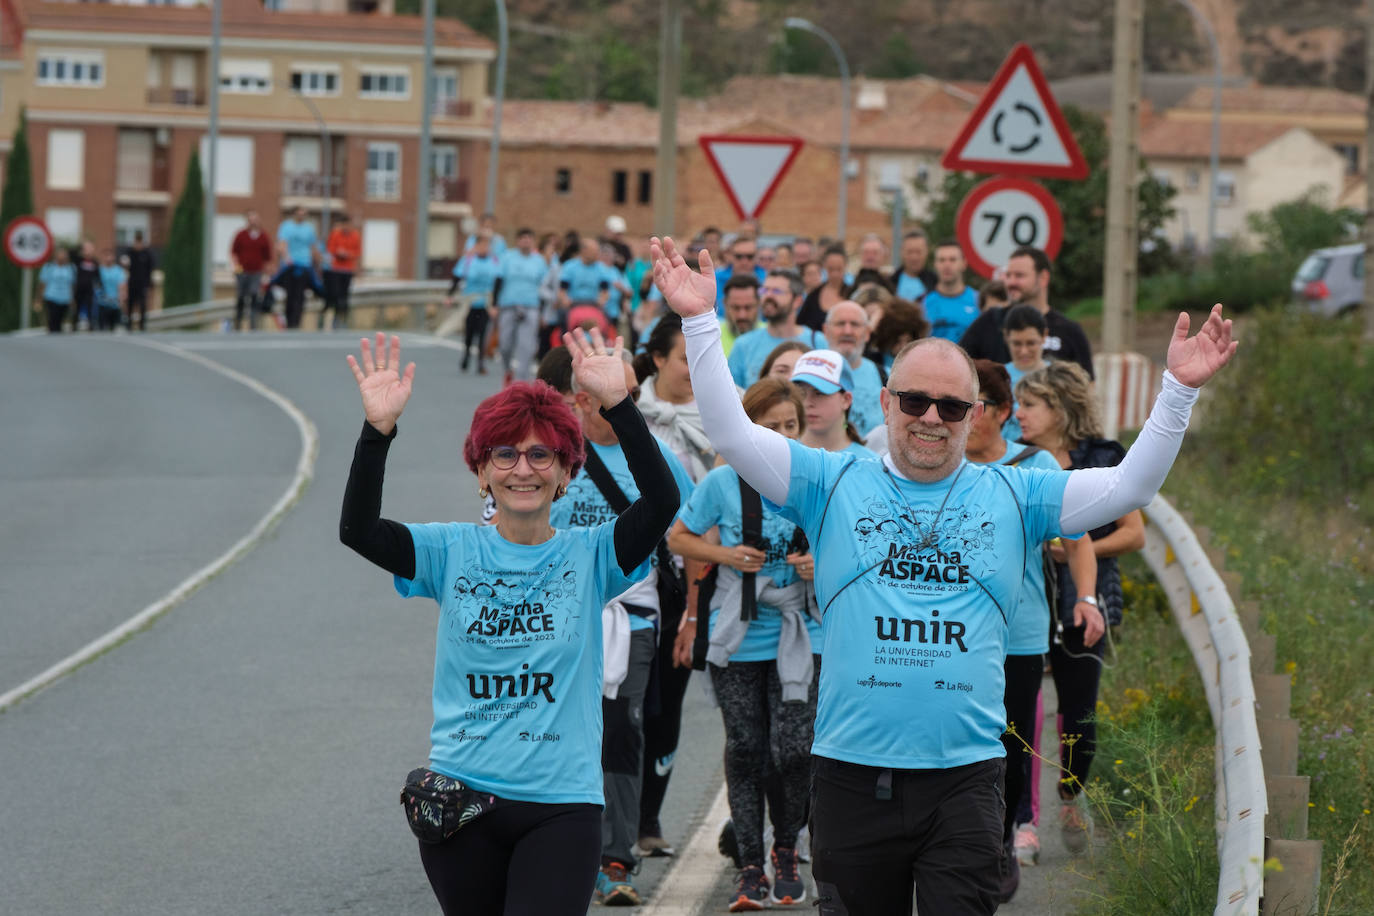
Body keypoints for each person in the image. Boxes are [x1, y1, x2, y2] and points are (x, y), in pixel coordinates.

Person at [650, 235, 1236, 915]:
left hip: (964, 783)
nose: (932, 418)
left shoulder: (1017, 492)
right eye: (916, 402)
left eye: (952, 407)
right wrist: (698, 320)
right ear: (887, 401)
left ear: (975, 416)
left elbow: (1129, 487)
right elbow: (730, 433)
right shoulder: (830, 480)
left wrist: (1178, 393)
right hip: (848, 775)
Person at [339, 329, 678, 916]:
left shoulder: (594, 554)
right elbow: (359, 530)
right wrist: (377, 432)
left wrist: (619, 404)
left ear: (565, 472)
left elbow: (661, 502)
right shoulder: (448, 551)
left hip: (562, 806)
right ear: (482, 472)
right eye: (505, 454)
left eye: (541, 454)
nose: (524, 469)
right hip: (462, 803)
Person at [548, 348, 696, 907]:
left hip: (633, 615)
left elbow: (689, 539)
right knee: (559, 729)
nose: (628, 400)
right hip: (554, 618)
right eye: (617, 392)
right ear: (583, 399)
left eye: (632, 390)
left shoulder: (658, 460)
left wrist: (692, 614)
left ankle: (616, 858)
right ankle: (559, 846)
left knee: (622, 728)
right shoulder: (550, 457)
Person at [668, 378, 820, 910]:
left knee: (795, 750)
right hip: (738, 633)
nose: (779, 435)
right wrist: (728, 555)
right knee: (747, 748)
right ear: (746, 428)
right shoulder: (722, 481)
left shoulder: (815, 480)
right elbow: (679, 537)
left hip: (801, 632)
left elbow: (853, 545)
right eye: (768, 425)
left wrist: (816, 563)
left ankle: (787, 847)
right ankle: (751, 866)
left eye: (789, 426)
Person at [963, 359, 1100, 902]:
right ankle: (964, 845)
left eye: (970, 406)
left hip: (1017, 631)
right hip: (949, 632)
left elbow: (1078, 537)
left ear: (999, 414)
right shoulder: (938, 458)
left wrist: (1086, 599)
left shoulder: (1035, 464)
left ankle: (1000, 839)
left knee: (1011, 745)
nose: (957, 417)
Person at [1013, 361, 1146, 860]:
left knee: (1080, 717)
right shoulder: (1015, 461)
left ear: (1059, 407)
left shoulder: (1103, 457)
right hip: (1027, 605)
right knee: (1019, 717)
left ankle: (1072, 794)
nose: (1019, 415)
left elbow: (1134, 533)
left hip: (1085, 603)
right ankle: (1020, 820)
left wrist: (1074, 550)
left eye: (1030, 404)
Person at [629, 313, 715, 861]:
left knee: (668, 700)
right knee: (620, 705)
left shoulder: (722, 415)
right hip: (629, 577)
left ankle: (648, 817)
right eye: (685, 358)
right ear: (657, 358)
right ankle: (606, 815)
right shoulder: (625, 412)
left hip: (693, 574)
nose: (693, 371)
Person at [959, 246, 1094, 378]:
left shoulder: (1069, 330)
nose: (1011, 282)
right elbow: (960, 365)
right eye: (1008, 275)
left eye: (1019, 275)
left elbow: (1086, 389)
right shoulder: (990, 321)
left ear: (1043, 278)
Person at [727, 270, 822, 388]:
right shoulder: (743, 345)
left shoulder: (818, 342)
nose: (768, 295)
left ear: (797, 301)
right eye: (765, 290)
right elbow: (731, 394)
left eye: (777, 291)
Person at [495, 227, 549, 384]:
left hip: (531, 306)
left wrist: (544, 314)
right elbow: (498, 282)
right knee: (504, 344)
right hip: (509, 305)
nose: (526, 241)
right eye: (523, 238)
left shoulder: (539, 261)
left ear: (533, 241)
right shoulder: (507, 258)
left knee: (526, 346)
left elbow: (544, 287)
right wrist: (494, 305)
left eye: (529, 238)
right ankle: (507, 369)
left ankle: (521, 382)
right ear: (518, 241)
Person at [824, 301, 885, 437]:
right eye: (840, 324)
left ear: (867, 333)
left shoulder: (888, 376)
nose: (847, 331)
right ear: (825, 331)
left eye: (855, 324)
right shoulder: (809, 374)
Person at [792, 349, 870, 456]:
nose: (807, 403)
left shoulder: (867, 462)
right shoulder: (781, 453)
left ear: (846, 399)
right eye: (801, 393)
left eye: (819, 393)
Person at [448, 233, 502, 374]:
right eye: (481, 245)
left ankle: (480, 363)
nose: (484, 248)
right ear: (475, 246)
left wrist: (496, 304)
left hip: (486, 302)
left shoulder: (495, 261)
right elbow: (457, 278)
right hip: (470, 301)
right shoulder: (467, 261)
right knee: (469, 333)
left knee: (483, 333)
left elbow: (498, 283)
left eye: (487, 245)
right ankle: (466, 355)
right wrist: (449, 296)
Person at [1000, 305, 1051, 442]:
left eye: (1031, 343)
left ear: (1044, 336)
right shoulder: (998, 377)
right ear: (1006, 337)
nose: (1024, 351)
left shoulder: (1057, 378)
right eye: (1016, 344)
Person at [922, 241, 980, 343]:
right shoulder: (922, 303)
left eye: (952, 260)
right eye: (942, 260)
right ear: (935, 264)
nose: (947, 265)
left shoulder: (979, 301)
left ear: (964, 263)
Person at [275, 206, 322, 329]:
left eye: (304, 214)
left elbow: (313, 247)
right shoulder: (286, 226)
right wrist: (287, 258)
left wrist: (318, 264)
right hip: (290, 266)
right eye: (299, 214)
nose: (301, 216)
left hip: (305, 265)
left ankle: (297, 321)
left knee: (300, 294)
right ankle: (289, 320)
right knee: (290, 294)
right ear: (294, 214)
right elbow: (282, 244)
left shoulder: (309, 229)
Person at [231, 210, 273, 332]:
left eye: (255, 219)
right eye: (251, 219)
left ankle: (253, 326)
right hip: (242, 272)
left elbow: (268, 258)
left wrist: (267, 274)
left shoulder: (263, 236)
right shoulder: (241, 235)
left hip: (256, 272)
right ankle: (237, 325)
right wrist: (236, 267)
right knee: (241, 297)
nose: (253, 221)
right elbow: (234, 253)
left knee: (254, 296)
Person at [323, 214, 362, 331]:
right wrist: (338, 252)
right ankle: (335, 317)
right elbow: (330, 248)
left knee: (344, 296)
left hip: (347, 270)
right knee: (335, 294)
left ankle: (343, 319)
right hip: (335, 269)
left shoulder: (355, 236)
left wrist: (348, 254)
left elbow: (357, 252)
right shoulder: (335, 234)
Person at [796, 246, 848, 332]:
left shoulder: (853, 294)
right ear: (825, 267)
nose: (835, 274)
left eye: (839, 269)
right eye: (831, 269)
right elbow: (800, 326)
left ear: (845, 267)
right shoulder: (813, 296)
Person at [719, 274, 762, 357]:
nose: (742, 315)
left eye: (748, 307)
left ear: (759, 303)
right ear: (725, 303)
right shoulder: (713, 338)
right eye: (736, 308)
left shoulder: (774, 335)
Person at [890, 229, 937, 302]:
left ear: (927, 252)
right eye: (909, 252)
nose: (914, 257)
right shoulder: (890, 282)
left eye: (918, 252)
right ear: (901, 252)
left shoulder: (936, 282)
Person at [38, 247, 76, 333]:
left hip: (65, 298)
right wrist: (39, 299)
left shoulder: (71, 268)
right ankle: (52, 332)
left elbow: (72, 284)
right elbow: (43, 283)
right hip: (51, 296)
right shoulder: (49, 267)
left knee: (60, 319)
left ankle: (57, 334)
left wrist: (72, 299)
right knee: (53, 317)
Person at [123, 231, 154, 332]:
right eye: (136, 242)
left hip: (143, 284)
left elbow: (150, 270)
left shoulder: (147, 254)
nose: (138, 245)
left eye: (140, 242)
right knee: (130, 304)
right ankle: (129, 324)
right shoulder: (130, 253)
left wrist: (149, 284)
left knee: (142, 304)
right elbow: (124, 265)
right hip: (132, 283)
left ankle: (142, 325)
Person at [95, 248, 127, 331]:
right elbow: (96, 286)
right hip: (102, 304)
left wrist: (122, 301)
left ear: (113, 257)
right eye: (106, 256)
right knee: (101, 328)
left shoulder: (118, 271)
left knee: (113, 329)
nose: (108, 258)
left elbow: (122, 286)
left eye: (110, 256)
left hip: (115, 304)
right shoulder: (99, 270)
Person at [72, 241, 99, 332]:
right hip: (79, 287)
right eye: (86, 249)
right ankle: (74, 324)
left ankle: (91, 324)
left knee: (90, 306)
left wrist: (100, 286)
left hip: (89, 289)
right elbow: (72, 252)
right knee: (77, 306)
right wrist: (81, 246)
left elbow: (98, 276)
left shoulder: (95, 262)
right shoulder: (79, 260)